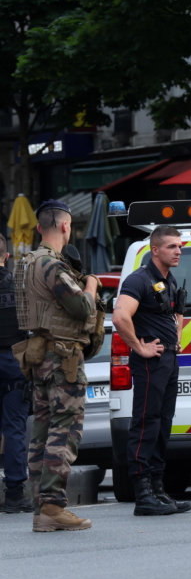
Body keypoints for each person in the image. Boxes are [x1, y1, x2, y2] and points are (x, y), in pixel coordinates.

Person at [13, 200, 100, 532]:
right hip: (62, 357)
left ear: (38, 228)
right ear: (66, 227)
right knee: (65, 429)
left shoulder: (27, 263)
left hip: (39, 354)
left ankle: (41, 509)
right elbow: (81, 308)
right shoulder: (52, 265)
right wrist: (91, 285)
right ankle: (53, 505)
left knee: (43, 431)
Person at [112, 225, 191, 516]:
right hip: (150, 362)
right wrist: (139, 347)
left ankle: (157, 488)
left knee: (162, 424)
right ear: (154, 249)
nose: (178, 251)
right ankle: (143, 492)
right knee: (146, 424)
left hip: (168, 361)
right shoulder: (140, 280)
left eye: (179, 246)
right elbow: (120, 316)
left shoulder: (166, 281)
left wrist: (177, 338)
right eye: (172, 246)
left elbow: (174, 313)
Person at [0, 235, 33, 514]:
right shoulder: (20, 288)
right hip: (14, 362)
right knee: (14, 430)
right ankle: (14, 494)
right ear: (7, 257)